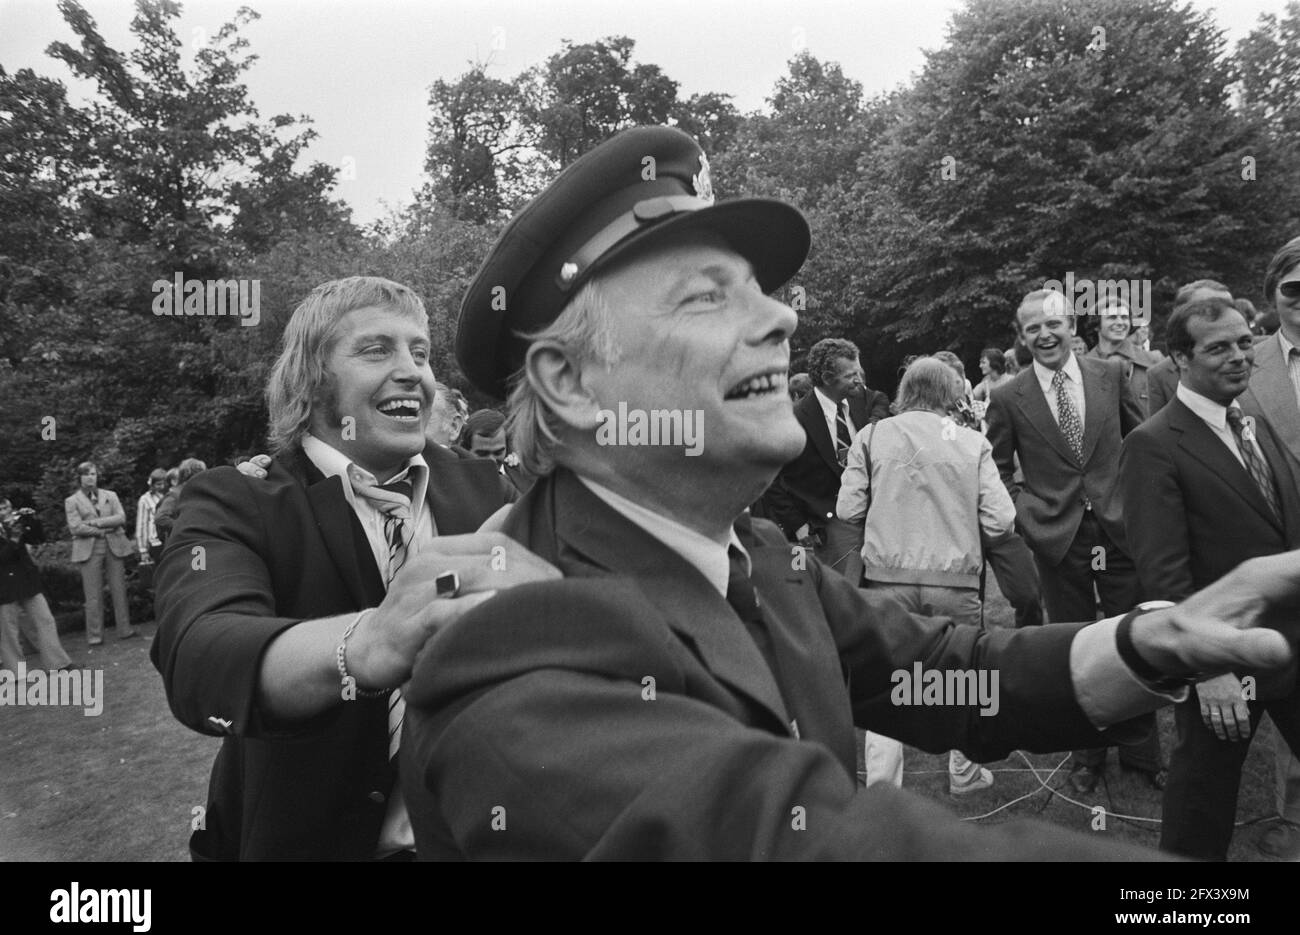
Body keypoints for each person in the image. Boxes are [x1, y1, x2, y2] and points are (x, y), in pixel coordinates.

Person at [399, 125, 1299, 861]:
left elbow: (948, 676)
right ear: (571, 384)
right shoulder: (509, 623)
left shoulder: (763, 559)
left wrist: (1148, 640)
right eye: (708, 299)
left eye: (763, 291)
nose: (783, 317)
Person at [151, 275, 542, 861]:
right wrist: (366, 643)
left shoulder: (487, 488)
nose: (412, 370)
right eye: (376, 349)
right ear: (312, 378)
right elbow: (199, 653)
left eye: (421, 352)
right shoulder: (236, 500)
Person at [1119, 296, 1300, 860]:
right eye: (1218, 348)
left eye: (1245, 343)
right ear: (1179, 357)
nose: (1239, 357)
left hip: (1292, 645)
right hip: (1221, 662)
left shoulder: (1255, 423)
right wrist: (1208, 670)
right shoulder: (1152, 445)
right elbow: (1162, 571)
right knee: (1201, 812)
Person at [985, 290, 1164, 795]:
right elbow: (996, 471)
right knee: (1073, 645)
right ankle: (1087, 754)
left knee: (1135, 636)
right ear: (1021, 337)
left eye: (1053, 325)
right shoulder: (1007, 396)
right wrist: (1028, 517)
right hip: (1057, 540)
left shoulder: (1109, 375)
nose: (1045, 335)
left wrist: (1138, 503)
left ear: (1070, 325)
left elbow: (1142, 442)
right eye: (1032, 329)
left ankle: (1141, 752)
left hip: (1119, 528)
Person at [836, 357, 1019, 795]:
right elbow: (1001, 520)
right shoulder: (970, 442)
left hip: (886, 579)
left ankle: (883, 790)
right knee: (960, 678)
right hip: (953, 580)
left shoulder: (873, 435)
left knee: (887, 682)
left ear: (906, 392)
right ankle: (964, 773)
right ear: (948, 395)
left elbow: (848, 510)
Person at [1238, 235, 1300, 860]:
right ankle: (1290, 824)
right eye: (1293, 290)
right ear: (1273, 295)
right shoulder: (1242, 363)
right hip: (1273, 559)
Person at [762, 337, 890, 563]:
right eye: (850, 376)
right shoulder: (793, 420)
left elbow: (881, 399)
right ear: (827, 378)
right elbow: (771, 478)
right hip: (826, 530)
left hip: (875, 523)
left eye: (859, 372)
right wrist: (799, 526)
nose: (859, 381)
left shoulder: (861, 400)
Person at [64, 462, 136, 647]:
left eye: (93, 474)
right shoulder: (72, 501)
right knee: (92, 594)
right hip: (89, 549)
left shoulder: (110, 495)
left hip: (114, 545)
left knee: (119, 588)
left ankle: (125, 630)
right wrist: (102, 530)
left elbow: (121, 518)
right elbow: (76, 527)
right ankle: (95, 636)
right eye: (86, 474)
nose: (90, 478)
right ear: (79, 478)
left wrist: (96, 523)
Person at [0, 498, 72, 673]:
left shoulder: (16, 524)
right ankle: (15, 672)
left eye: (8, 507)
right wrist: (14, 539)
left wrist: (31, 521)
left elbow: (37, 539)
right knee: (8, 630)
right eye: (1, 508)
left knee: (45, 620)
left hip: (27, 581)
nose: (7, 511)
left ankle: (57, 663)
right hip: (4, 585)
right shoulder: (9, 532)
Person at [1146, 280, 1235, 416]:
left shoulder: (1257, 360)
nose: (1223, 316)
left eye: (1229, 308)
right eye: (1209, 310)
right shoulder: (1160, 375)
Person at [1087, 294, 1163, 414]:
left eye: (1124, 317)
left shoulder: (1153, 361)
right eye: (1112, 317)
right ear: (1097, 325)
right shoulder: (1084, 366)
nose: (1120, 322)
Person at [152, 458, 207, 544]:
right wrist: (184, 528)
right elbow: (160, 518)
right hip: (179, 545)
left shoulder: (191, 492)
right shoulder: (175, 495)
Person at [135, 469, 169, 566]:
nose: (161, 487)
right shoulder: (145, 499)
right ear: (152, 484)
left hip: (171, 540)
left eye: (163, 484)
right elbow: (141, 524)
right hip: (156, 542)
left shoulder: (170, 496)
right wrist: (143, 550)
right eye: (158, 484)